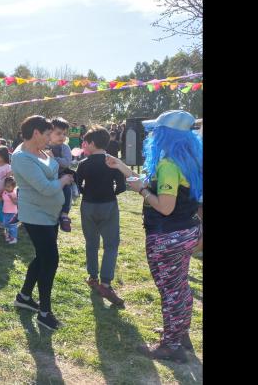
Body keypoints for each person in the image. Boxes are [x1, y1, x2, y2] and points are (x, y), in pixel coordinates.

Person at [106, 110, 202, 363]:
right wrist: (124, 169)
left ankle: (170, 346)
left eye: (157, 131)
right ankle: (179, 333)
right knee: (180, 287)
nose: (153, 136)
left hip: (167, 236)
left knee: (170, 290)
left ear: (165, 135)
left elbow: (165, 206)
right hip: (186, 232)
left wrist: (142, 191)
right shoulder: (191, 160)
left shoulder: (168, 165)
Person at [10, 116, 74, 330]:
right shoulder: (22, 157)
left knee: (42, 257)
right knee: (50, 260)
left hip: (50, 215)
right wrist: (64, 180)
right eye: (47, 134)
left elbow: (51, 171)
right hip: (36, 217)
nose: (50, 139)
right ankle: (44, 312)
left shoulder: (40, 151)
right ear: (36, 133)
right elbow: (46, 188)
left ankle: (24, 296)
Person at [75, 126, 127, 306]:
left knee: (91, 242)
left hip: (88, 205)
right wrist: (112, 192)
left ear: (91, 143)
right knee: (111, 244)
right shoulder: (112, 162)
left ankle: (92, 276)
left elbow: (77, 183)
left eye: (85, 142)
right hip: (108, 205)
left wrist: (85, 192)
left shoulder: (83, 163)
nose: (84, 144)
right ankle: (105, 282)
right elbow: (121, 185)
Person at [50, 124, 74, 232]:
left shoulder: (64, 147)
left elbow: (66, 162)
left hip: (61, 175)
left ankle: (64, 214)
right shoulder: (44, 146)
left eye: (64, 134)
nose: (62, 137)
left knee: (67, 189)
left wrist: (54, 158)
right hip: (47, 176)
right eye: (59, 133)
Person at [1, 177, 19, 244]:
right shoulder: (5, 192)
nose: (6, 188)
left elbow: (16, 203)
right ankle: (8, 236)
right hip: (5, 211)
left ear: (13, 186)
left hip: (12, 212)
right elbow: (2, 200)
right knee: (6, 224)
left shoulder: (14, 193)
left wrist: (12, 199)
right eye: (5, 186)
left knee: (12, 225)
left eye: (8, 186)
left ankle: (14, 238)